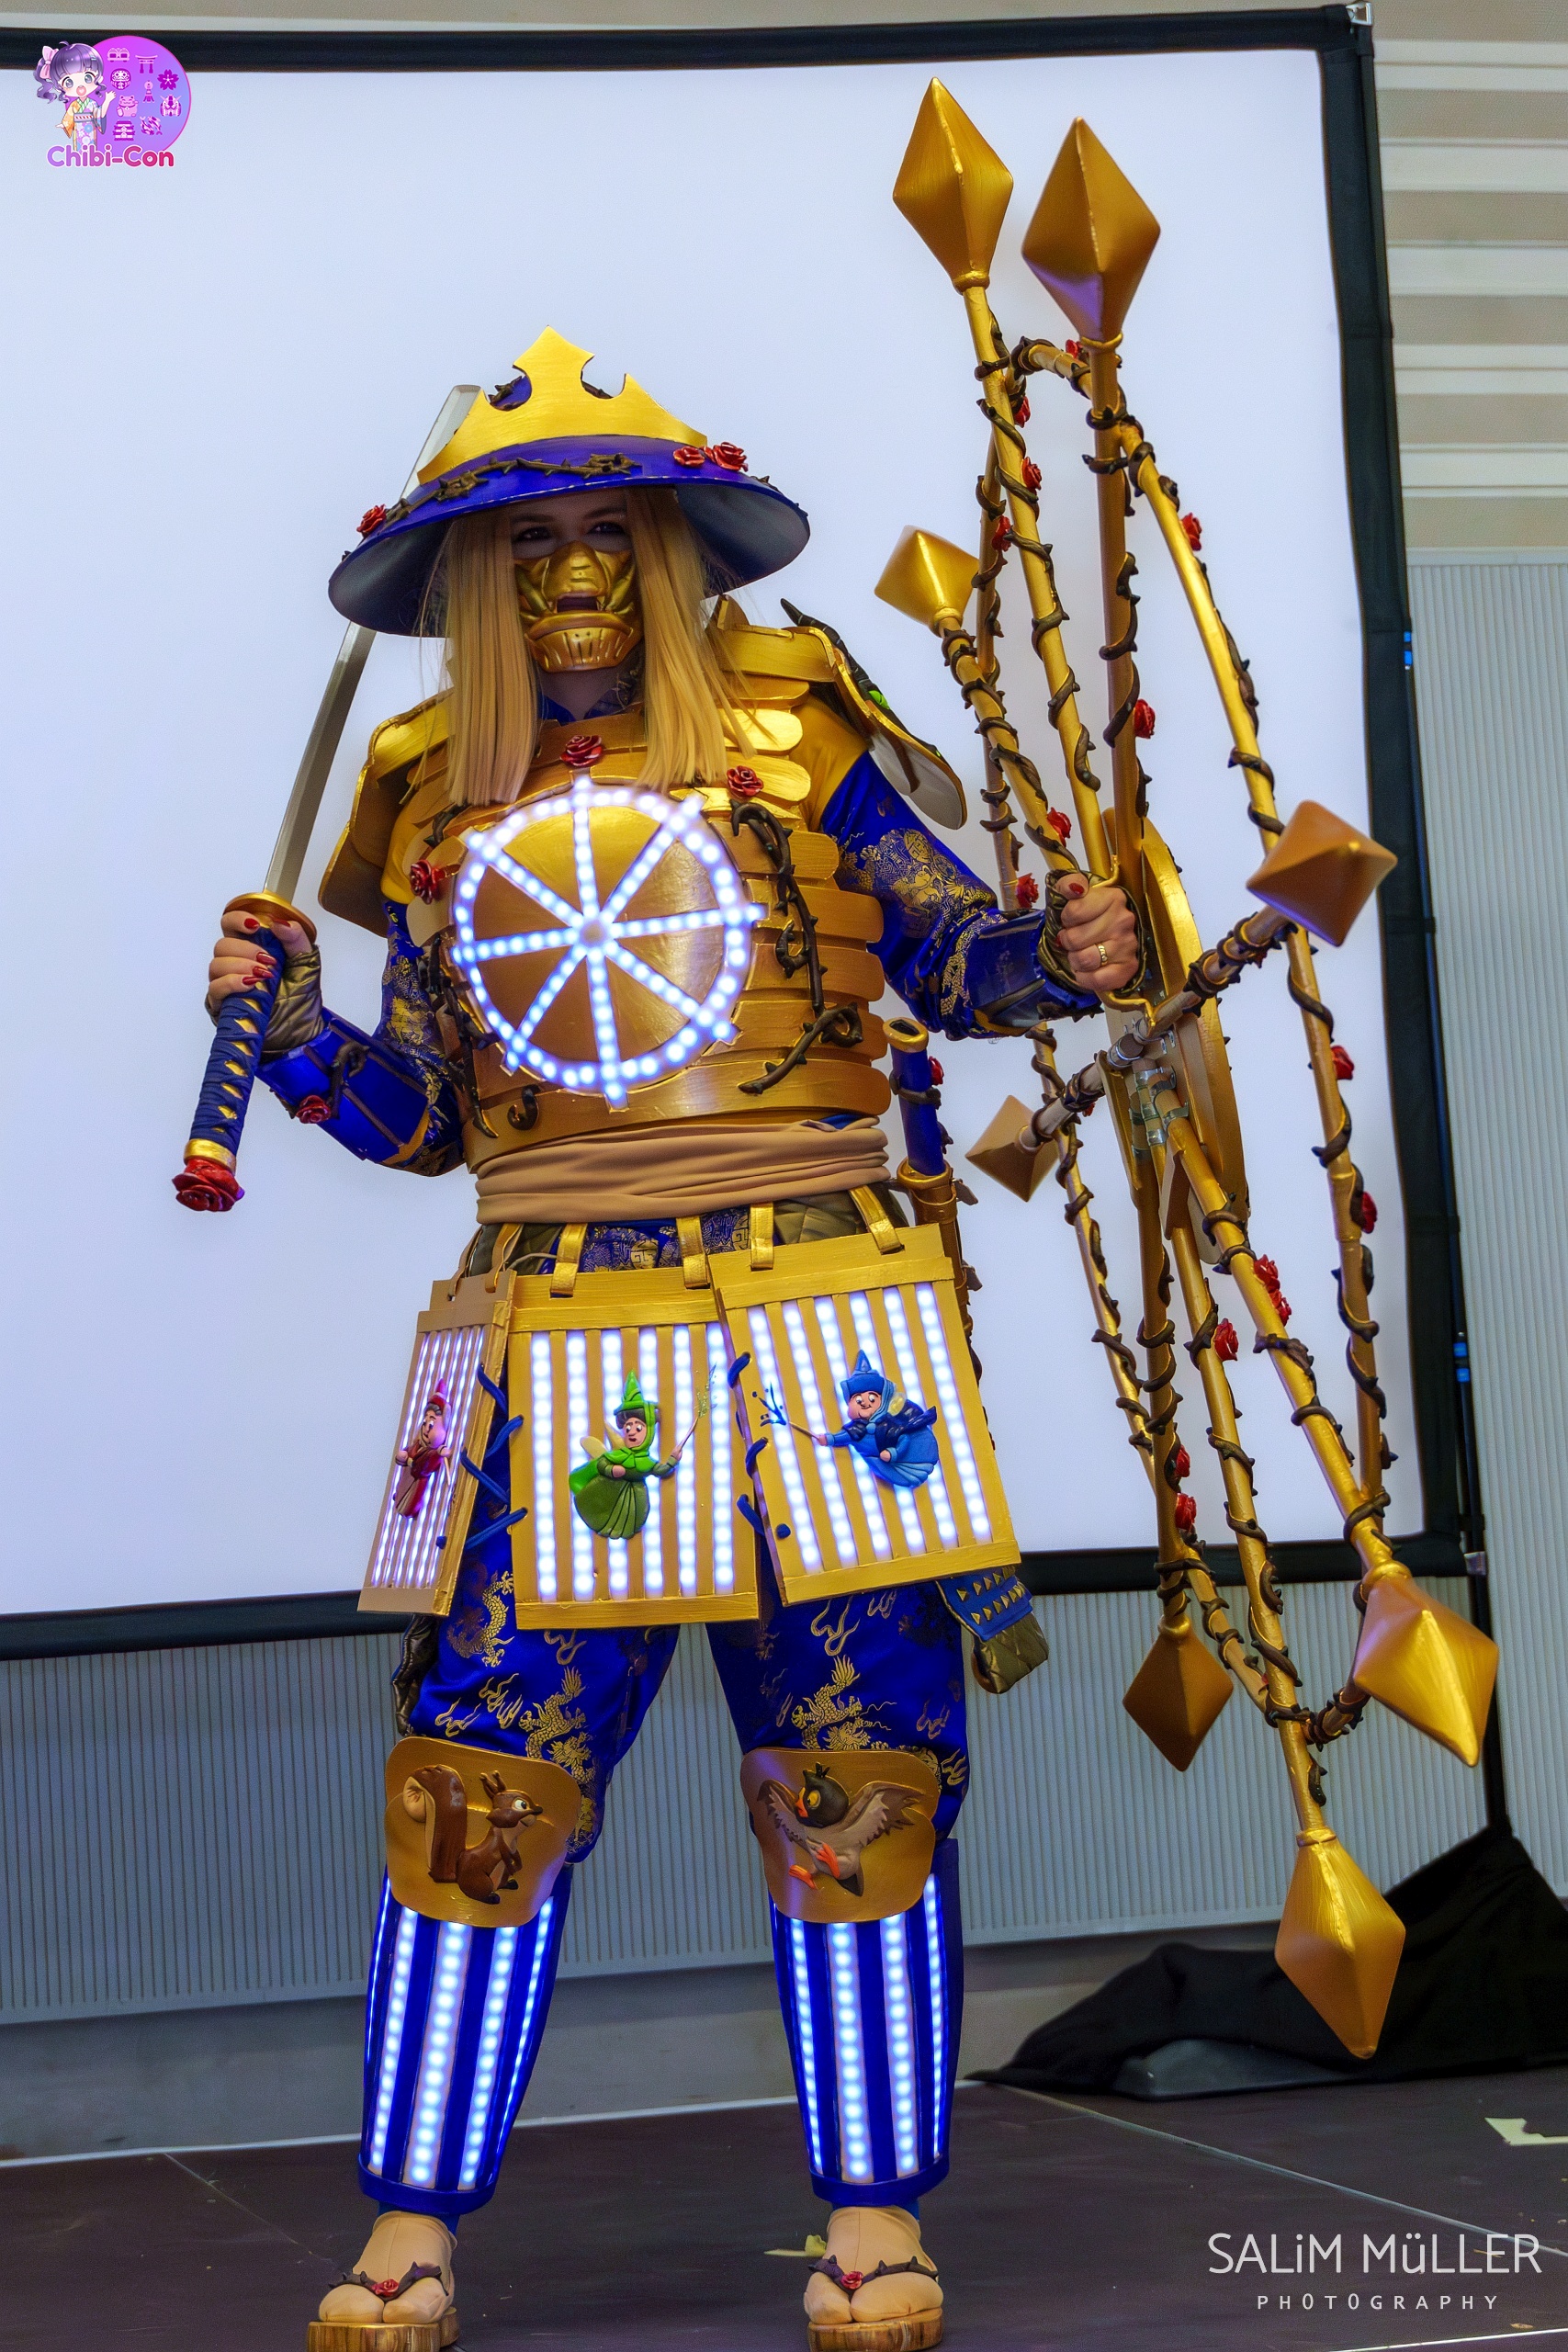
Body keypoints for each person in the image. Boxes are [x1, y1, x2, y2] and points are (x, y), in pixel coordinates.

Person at [204, 329, 1139, 2352]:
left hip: (826, 1318)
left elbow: (954, 956)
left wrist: (1062, 954)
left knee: (858, 1761)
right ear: (476, 577)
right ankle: (412, 2228)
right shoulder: (428, 796)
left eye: (605, 534)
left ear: (668, 551)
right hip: (561, 1329)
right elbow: (432, 1118)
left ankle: (872, 2213)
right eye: (528, 543)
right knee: (483, 1776)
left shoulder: (803, 726)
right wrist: (287, 1043)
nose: (570, 575)